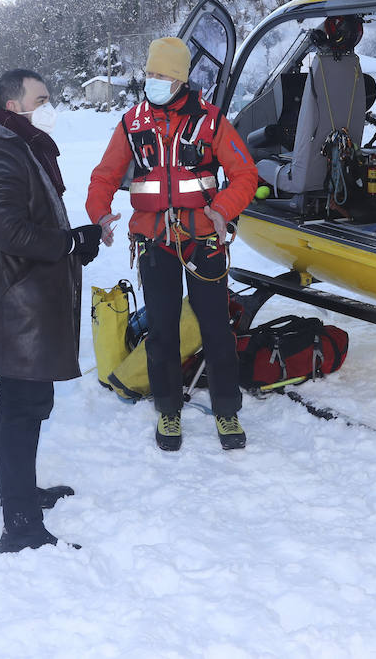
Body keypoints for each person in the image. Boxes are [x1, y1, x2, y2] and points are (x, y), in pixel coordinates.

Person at [0, 68, 101, 552]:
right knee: (20, 406)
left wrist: (76, 243)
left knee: (27, 403)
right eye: (41, 97)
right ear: (13, 105)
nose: (49, 104)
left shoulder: (20, 146)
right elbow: (11, 233)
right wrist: (70, 241)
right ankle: (20, 523)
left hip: (22, 298)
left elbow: (31, 220)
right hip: (13, 304)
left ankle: (20, 491)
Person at [87, 37, 258, 452]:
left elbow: (245, 175)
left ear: (180, 79)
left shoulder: (211, 121)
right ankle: (168, 408)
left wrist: (222, 210)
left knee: (216, 327)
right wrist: (101, 215)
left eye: (162, 75)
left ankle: (226, 409)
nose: (154, 81)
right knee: (161, 330)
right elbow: (104, 176)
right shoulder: (132, 122)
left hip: (203, 239)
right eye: (150, 74)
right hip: (153, 240)